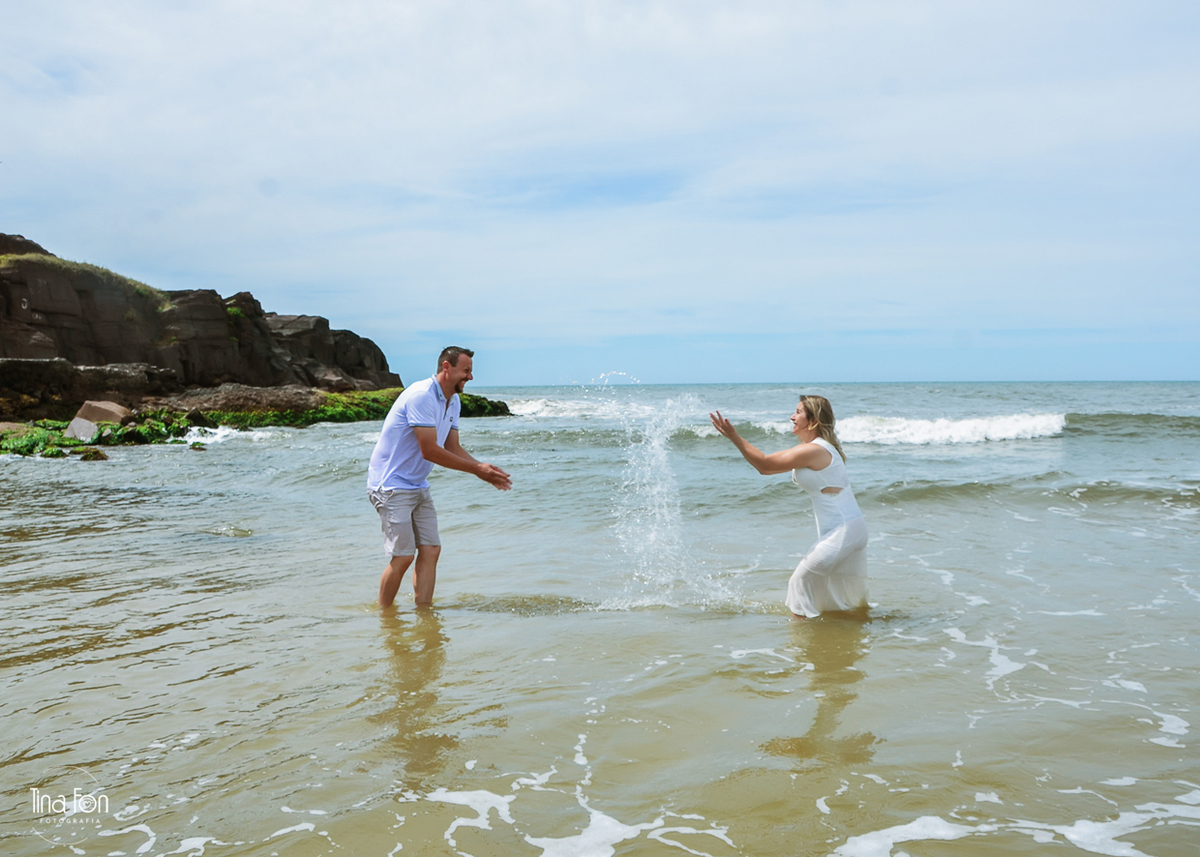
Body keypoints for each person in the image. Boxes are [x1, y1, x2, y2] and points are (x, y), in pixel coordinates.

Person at [367, 346, 511, 609]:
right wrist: (477, 471)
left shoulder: (452, 400)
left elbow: (451, 447)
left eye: (470, 372)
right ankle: (385, 617)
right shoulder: (422, 395)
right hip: (390, 485)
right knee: (403, 556)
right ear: (447, 367)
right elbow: (430, 450)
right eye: (465, 371)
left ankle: (424, 613)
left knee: (431, 549)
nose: (470, 377)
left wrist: (483, 469)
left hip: (417, 484)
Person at [709, 395, 867, 618]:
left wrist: (734, 436)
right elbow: (766, 469)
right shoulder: (813, 449)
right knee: (830, 596)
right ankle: (832, 642)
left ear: (813, 420)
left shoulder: (815, 450)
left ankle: (799, 642)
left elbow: (764, 463)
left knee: (800, 582)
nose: (792, 416)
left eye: (799, 412)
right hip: (843, 529)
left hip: (844, 530)